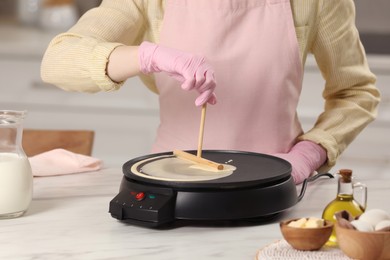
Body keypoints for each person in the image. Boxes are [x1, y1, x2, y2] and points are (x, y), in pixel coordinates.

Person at [41, 0, 380, 184]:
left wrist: (310, 154)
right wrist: (147, 56)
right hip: (170, 182)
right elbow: (58, 61)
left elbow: (356, 91)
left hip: (279, 183)